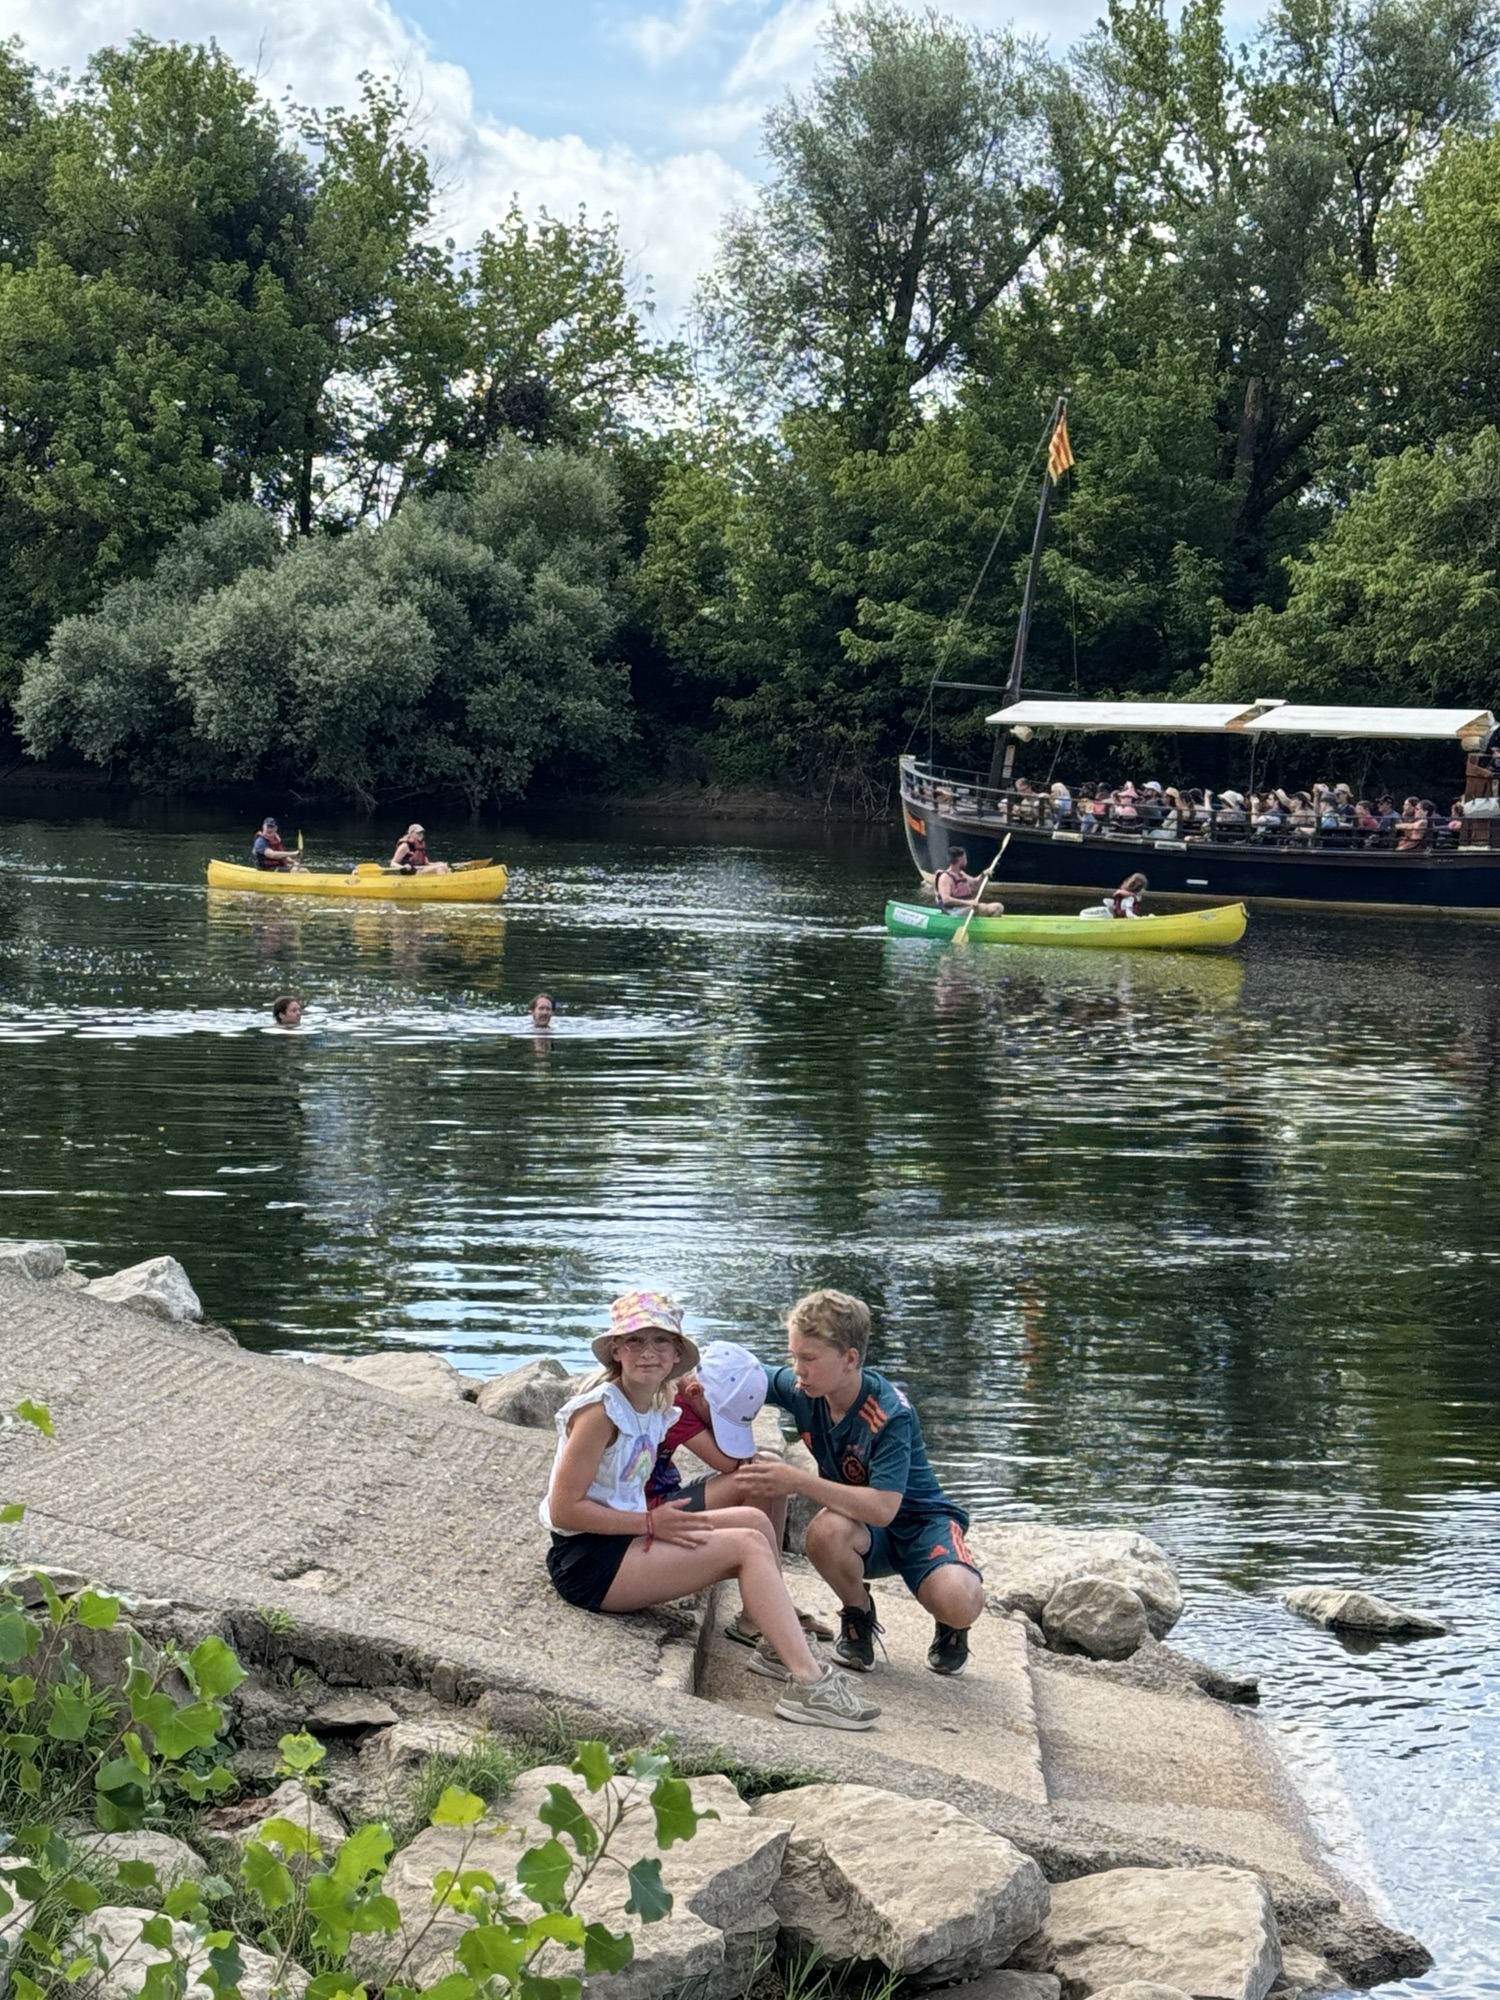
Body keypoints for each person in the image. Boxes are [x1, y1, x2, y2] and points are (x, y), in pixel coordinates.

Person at [540, 1290, 878, 1731]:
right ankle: (810, 1685)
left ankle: (779, 1646)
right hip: (589, 1563)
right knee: (746, 1547)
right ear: (616, 1350)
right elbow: (565, 1510)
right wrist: (648, 1522)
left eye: (661, 1342)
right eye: (636, 1341)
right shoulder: (599, 1413)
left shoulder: (655, 1402)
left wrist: (649, 1522)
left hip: (625, 1540)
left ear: (677, 1353)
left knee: (756, 1522)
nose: (649, 1353)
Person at [732, 1288, 985, 1679]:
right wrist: (680, 1376)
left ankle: (951, 1622)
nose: (797, 1370)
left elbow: (884, 1508)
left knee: (959, 1600)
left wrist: (796, 1481)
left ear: (850, 1359)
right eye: (794, 1356)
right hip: (863, 1532)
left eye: (809, 1359)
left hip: (918, 1522)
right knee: (825, 1531)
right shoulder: (806, 1390)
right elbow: (738, 1372)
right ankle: (858, 1613)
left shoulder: (889, 1413)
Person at [934, 846, 1003, 916]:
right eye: (965, 858)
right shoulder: (945, 877)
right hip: (953, 911)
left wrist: (983, 875)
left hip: (966, 908)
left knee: (998, 907)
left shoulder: (961, 874)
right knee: (979, 908)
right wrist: (969, 903)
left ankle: (987, 925)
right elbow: (946, 900)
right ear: (960, 859)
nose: (966, 860)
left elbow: (975, 884)